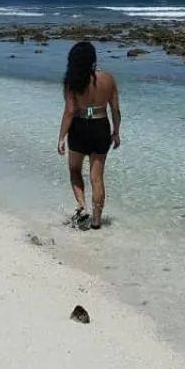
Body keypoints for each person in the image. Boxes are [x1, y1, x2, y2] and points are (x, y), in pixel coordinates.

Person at [57, 39, 120, 230]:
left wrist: (61, 137)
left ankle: (82, 207)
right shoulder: (108, 79)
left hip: (80, 127)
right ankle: (96, 222)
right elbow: (115, 110)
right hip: (101, 126)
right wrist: (116, 132)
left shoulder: (72, 82)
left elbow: (69, 111)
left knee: (75, 170)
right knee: (97, 177)